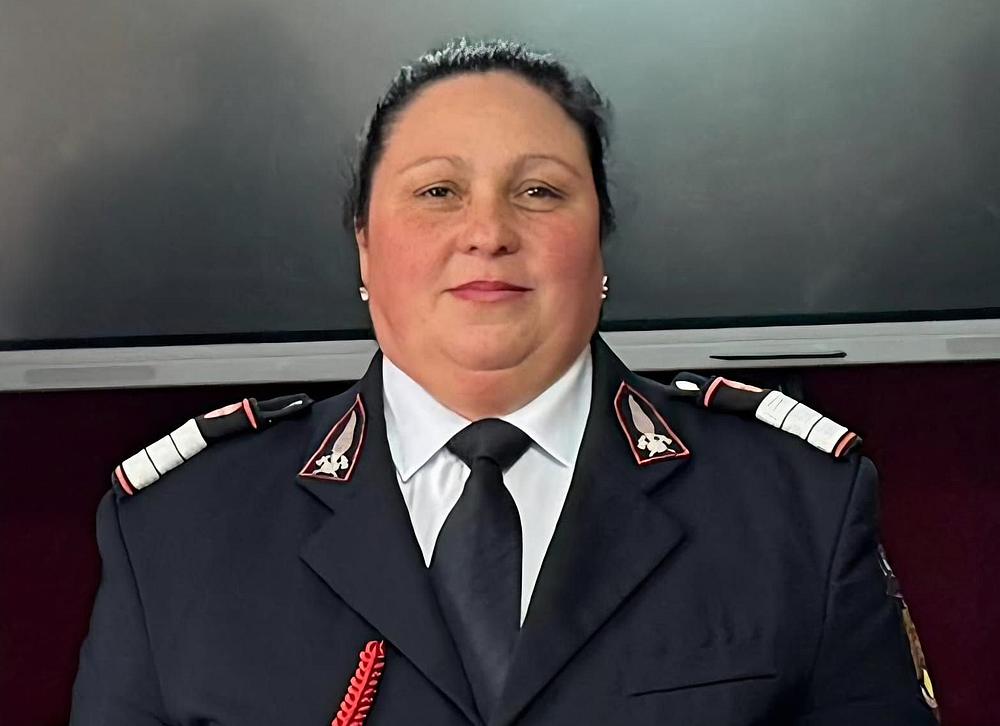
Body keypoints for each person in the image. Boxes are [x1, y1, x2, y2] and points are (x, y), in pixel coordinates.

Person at [70, 38, 937, 725]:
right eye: (438, 192)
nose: (487, 231)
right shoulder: (180, 530)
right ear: (364, 246)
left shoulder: (796, 506)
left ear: (601, 246)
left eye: (540, 192)